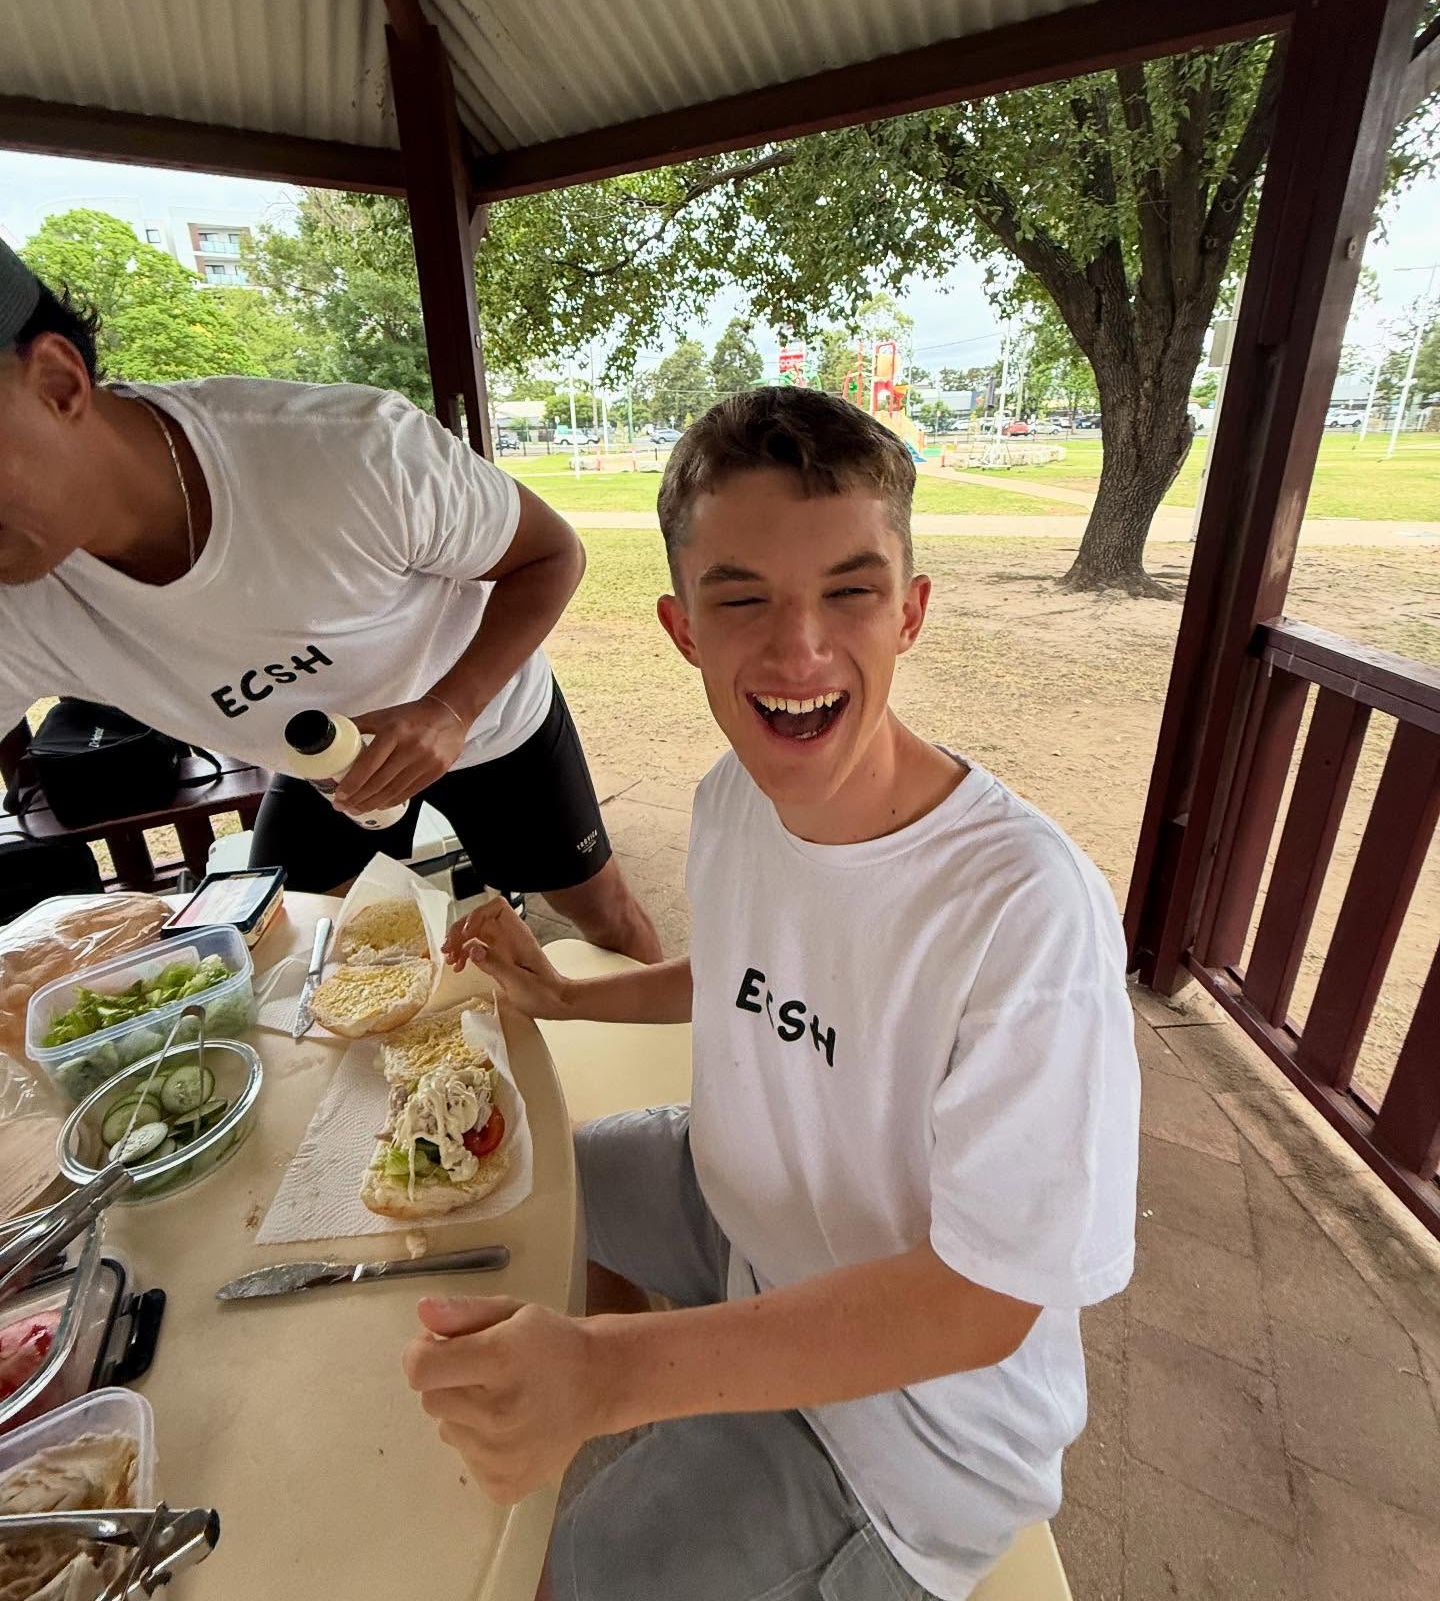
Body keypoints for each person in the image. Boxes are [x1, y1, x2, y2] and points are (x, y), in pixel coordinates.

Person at [406, 387, 1141, 1599]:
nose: (798, 649)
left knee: (572, 1575)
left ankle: (665, 1431)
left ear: (909, 614)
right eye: (742, 597)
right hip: (746, 1207)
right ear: (683, 626)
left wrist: (613, 1371)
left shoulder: (1025, 911)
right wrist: (583, 1001)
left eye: (849, 592)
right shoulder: (732, 799)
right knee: (522, 1196)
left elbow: (983, 1303)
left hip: (908, 1432)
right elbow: (757, 973)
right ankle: (653, 1419)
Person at [0, 239, 659, 960]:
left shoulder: (348, 455)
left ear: (59, 382)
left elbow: (552, 552)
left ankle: (684, 1067)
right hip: (323, 771)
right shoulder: (14, 611)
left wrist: (449, 709)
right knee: (262, 942)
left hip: (489, 720)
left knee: (605, 916)